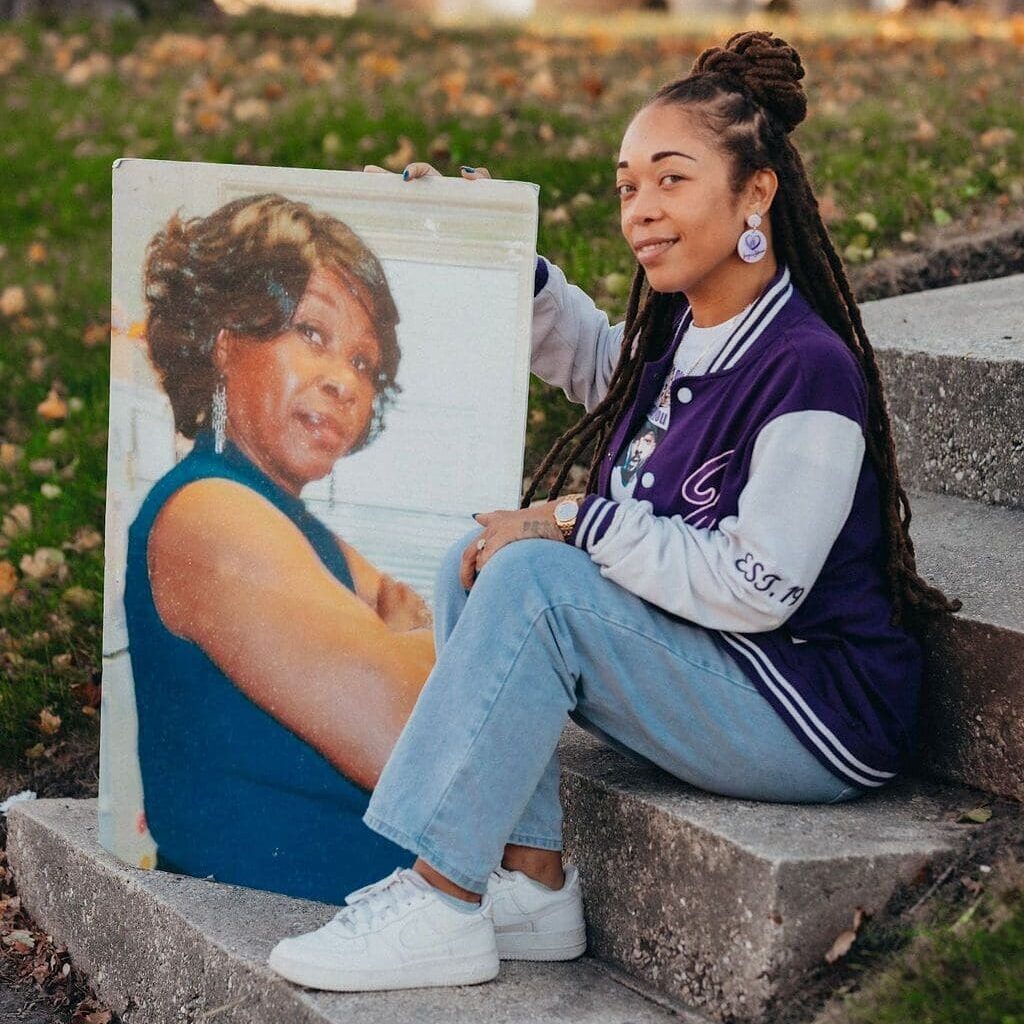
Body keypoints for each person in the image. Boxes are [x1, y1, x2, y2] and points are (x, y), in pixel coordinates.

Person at [267, 31, 960, 991]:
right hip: (727, 664)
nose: (642, 210)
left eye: (672, 181)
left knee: (538, 582)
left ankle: (439, 898)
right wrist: (516, 265)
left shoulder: (808, 369)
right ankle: (535, 885)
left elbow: (758, 587)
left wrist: (572, 518)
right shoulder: (690, 327)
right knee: (475, 562)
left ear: (756, 194)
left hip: (809, 709)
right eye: (629, 185)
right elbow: (614, 378)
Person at [123, 193, 435, 903]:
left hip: (345, 908)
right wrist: (413, 641)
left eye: (363, 361)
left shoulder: (296, 525)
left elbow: (424, 655)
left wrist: (410, 643)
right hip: (273, 921)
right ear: (225, 340)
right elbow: (411, 735)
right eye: (313, 335)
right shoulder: (210, 510)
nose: (344, 381)